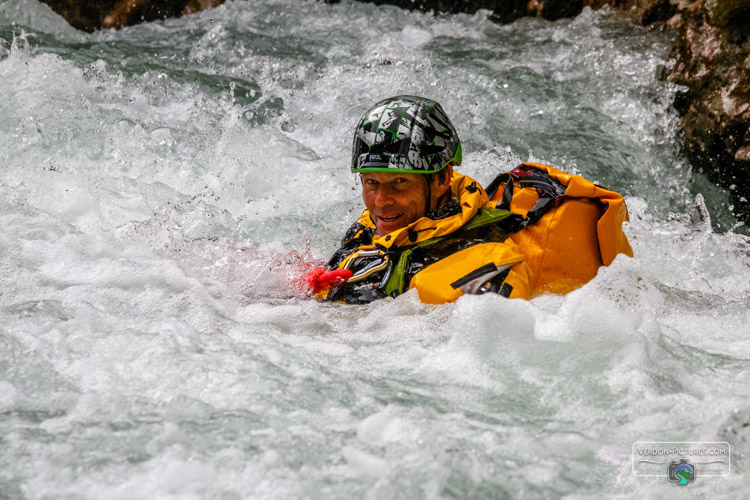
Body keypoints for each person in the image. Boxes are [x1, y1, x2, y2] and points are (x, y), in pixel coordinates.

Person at [309, 95, 633, 304]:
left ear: (441, 179)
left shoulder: (493, 263)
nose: (381, 201)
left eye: (399, 183)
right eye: (371, 183)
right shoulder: (370, 230)